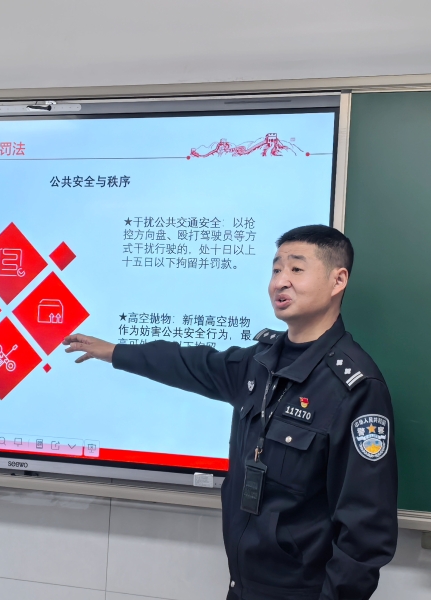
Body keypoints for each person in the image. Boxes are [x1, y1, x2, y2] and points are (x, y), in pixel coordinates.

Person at [63, 225, 397, 600]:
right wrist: (115, 352)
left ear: (338, 280)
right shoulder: (260, 362)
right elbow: (189, 363)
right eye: (276, 269)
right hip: (242, 585)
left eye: (296, 269)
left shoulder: (354, 386)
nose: (280, 282)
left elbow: (365, 531)